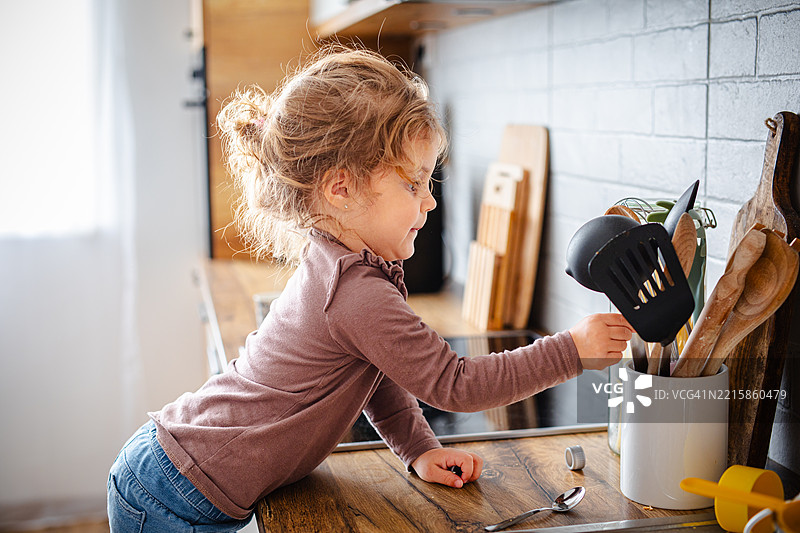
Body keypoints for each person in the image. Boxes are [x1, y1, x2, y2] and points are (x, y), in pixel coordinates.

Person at [107, 45, 633, 532]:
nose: (429, 200)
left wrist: (418, 448)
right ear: (341, 189)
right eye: (413, 183)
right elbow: (457, 385)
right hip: (173, 491)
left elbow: (374, 372)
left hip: (181, 474)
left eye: (429, 182)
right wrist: (571, 351)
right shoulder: (353, 289)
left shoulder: (348, 267)